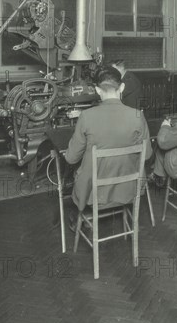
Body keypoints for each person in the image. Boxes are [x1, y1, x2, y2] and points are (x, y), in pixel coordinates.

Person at [64, 66, 153, 216]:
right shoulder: (138, 116)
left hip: (93, 193)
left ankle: (82, 218)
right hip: (128, 189)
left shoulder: (86, 116)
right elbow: (147, 155)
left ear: (97, 90)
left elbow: (71, 158)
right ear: (122, 87)